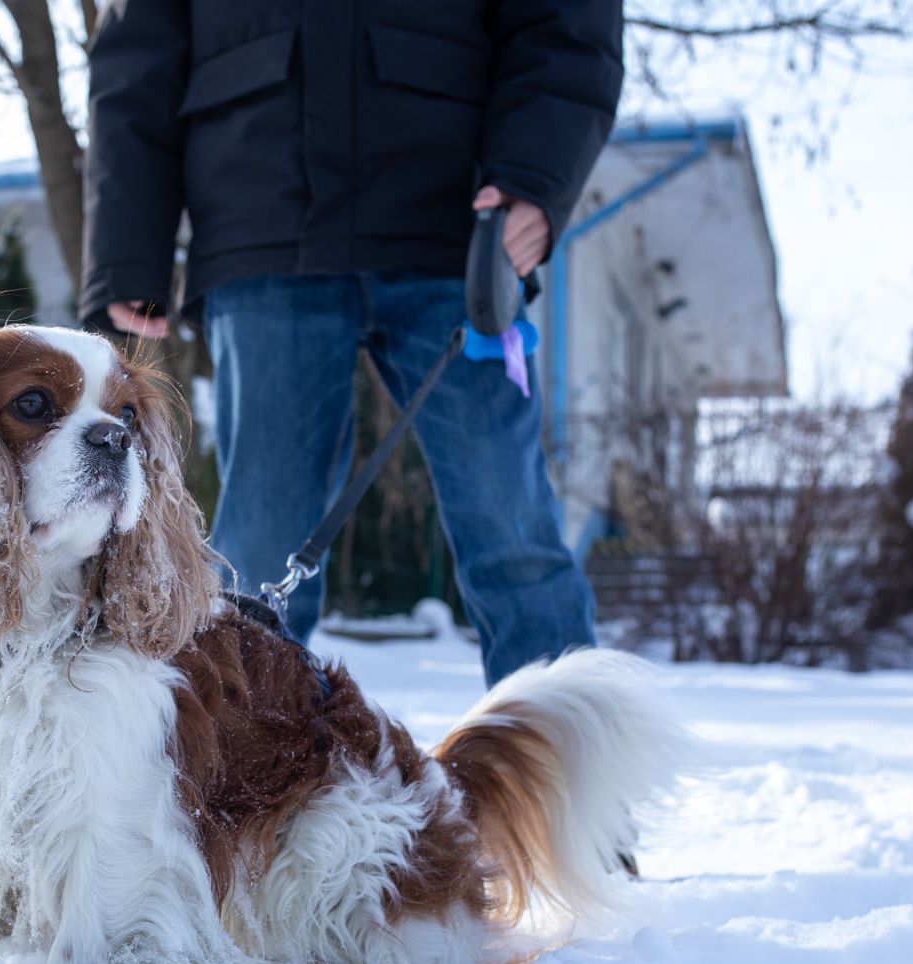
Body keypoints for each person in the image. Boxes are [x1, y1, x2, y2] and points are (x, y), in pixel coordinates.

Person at [81, 1, 624, 686]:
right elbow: (137, 49)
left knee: (512, 533)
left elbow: (567, 20)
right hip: (264, 222)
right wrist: (129, 248)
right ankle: (246, 779)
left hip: (457, 230)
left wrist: (535, 179)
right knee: (260, 546)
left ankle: (574, 778)